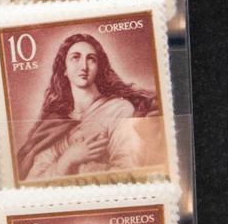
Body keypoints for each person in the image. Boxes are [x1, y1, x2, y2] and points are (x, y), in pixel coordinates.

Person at [17, 33, 157, 182]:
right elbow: (33, 180)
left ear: (98, 68)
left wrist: (82, 171)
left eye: (91, 59)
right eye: (75, 57)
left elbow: (128, 169)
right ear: (64, 69)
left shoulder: (118, 109)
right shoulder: (56, 122)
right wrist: (67, 159)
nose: (84, 66)